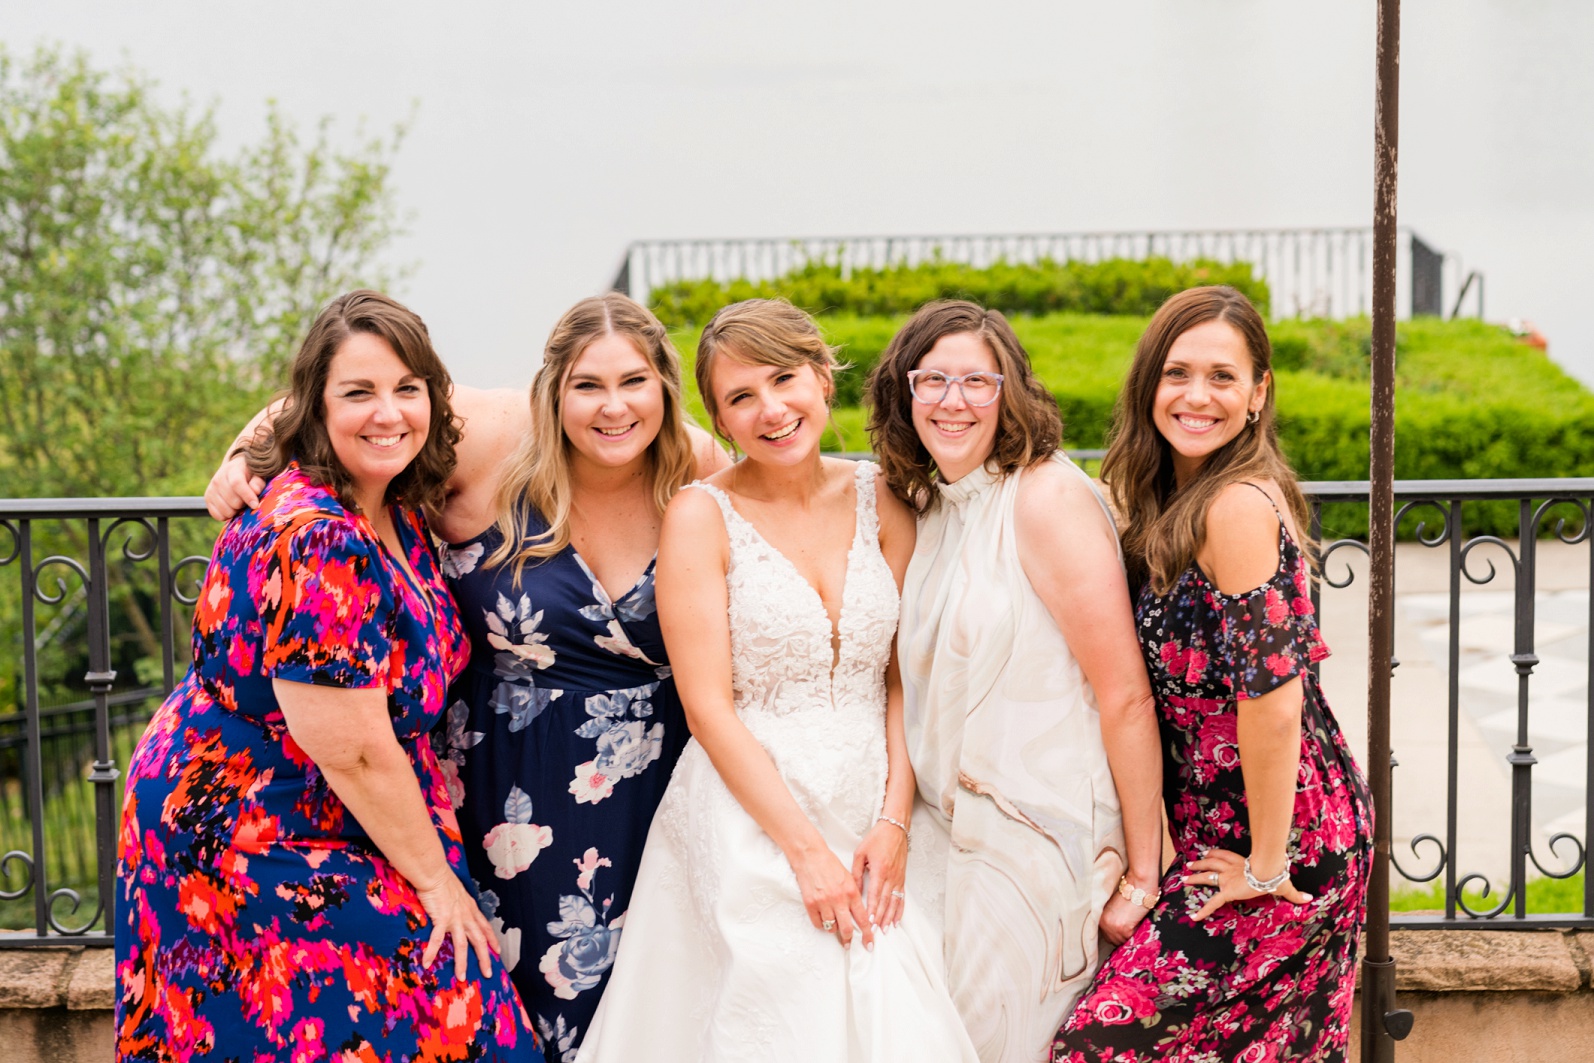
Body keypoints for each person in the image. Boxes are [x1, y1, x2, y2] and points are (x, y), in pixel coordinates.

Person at [203, 292, 728, 1060]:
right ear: (551, 388)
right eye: (587, 384)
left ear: (665, 387)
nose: (613, 406)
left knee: (651, 1012)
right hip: (497, 791)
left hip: (655, 799)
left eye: (634, 382)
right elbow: (343, 395)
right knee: (502, 1005)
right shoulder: (493, 434)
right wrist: (242, 459)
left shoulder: (698, 467)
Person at [116, 290, 536, 1060]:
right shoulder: (319, 539)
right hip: (249, 830)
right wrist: (437, 884)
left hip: (332, 810)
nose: (388, 412)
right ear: (316, 406)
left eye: (406, 389)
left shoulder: (392, 502)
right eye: (359, 393)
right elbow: (354, 748)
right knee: (469, 1025)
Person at [576, 299, 978, 1063]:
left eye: (784, 378)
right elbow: (707, 707)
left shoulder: (884, 496)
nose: (770, 409)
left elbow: (901, 680)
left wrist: (894, 822)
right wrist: (806, 852)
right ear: (720, 420)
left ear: (823, 377)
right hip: (752, 812)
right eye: (741, 396)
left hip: (877, 802)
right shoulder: (700, 515)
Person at [1052, 285, 1373, 1061]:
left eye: (1222, 377)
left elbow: (1274, 701)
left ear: (1259, 392)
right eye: (1178, 373)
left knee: (1096, 1047)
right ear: (1149, 384)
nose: (1197, 395)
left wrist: (1265, 866)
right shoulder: (1173, 499)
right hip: (1229, 838)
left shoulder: (1235, 507)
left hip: (1285, 848)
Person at [864, 300, 1165, 1063]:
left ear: (1011, 393)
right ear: (905, 392)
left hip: (1043, 851)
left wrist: (1143, 870)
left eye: (977, 380)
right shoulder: (935, 504)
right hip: (957, 846)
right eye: (933, 379)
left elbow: (1125, 693)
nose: (953, 400)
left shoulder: (1044, 497)